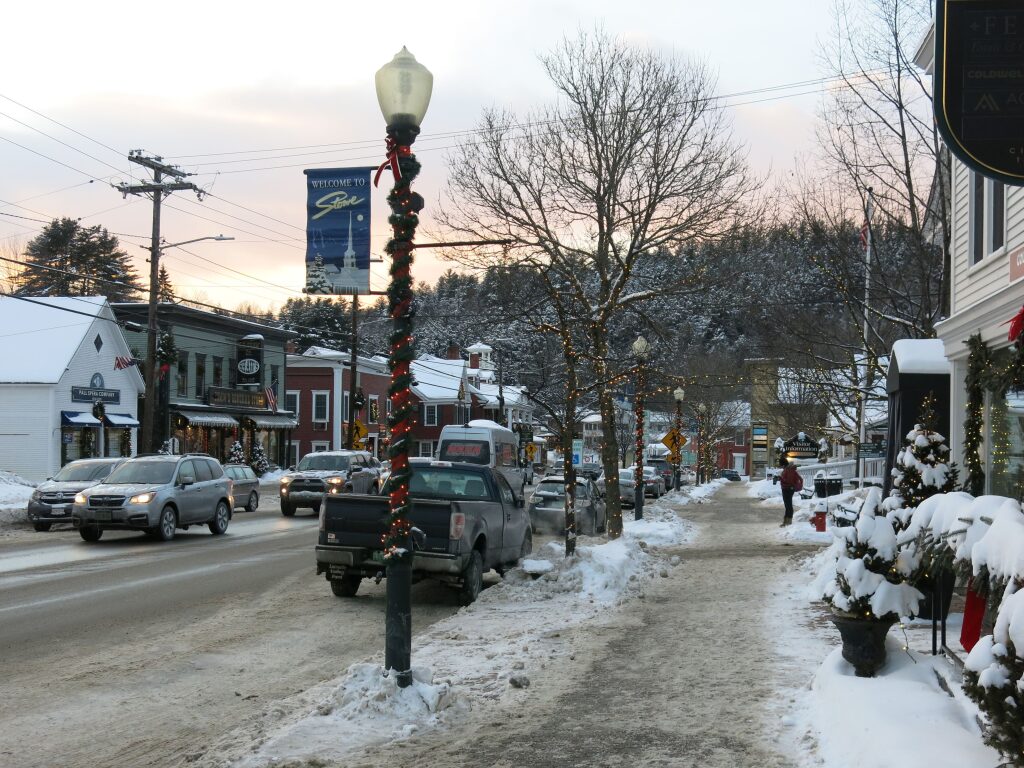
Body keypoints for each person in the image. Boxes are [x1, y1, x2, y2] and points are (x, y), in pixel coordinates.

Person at [779, 457, 802, 526]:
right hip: (789, 489)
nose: (780, 466)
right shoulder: (789, 469)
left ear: (783, 464)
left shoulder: (788, 470)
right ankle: (786, 521)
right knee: (788, 505)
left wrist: (780, 478)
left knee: (788, 505)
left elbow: (788, 481)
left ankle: (788, 522)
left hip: (787, 489)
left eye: (781, 464)